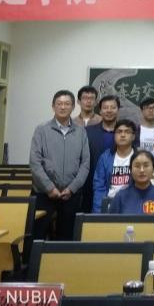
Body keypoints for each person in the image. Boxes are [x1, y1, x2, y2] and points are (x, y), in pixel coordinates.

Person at [29, 90, 90, 240]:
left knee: (67, 237)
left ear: (73, 107)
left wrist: (72, 188)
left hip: (71, 194)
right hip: (44, 193)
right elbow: (35, 162)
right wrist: (49, 188)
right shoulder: (41, 130)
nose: (63, 107)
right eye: (59, 103)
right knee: (37, 235)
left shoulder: (81, 132)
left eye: (67, 104)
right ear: (53, 106)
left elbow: (85, 163)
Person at [91, 119, 136, 213]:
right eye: (119, 132)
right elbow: (99, 187)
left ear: (133, 137)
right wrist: (99, 212)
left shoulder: (140, 157)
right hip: (109, 205)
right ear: (114, 136)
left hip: (133, 206)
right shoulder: (105, 157)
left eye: (127, 132)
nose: (123, 135)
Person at [108, 150, 154, 214]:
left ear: (153, 169)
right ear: (130, 170)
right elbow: (111, 220)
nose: (141, 170)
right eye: (137, 166)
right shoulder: (120, 197)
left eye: (146, 166)